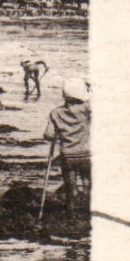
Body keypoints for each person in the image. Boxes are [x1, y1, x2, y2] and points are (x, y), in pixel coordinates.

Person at [43, 79, 90, 212]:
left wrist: (59, 132)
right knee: (88, 183)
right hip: (87, 153)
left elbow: (49, 135)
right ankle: (88, 212)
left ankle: (71, 213)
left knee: (71, 188)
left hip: (68, 155)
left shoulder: (56, 112)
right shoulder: (86, 109)